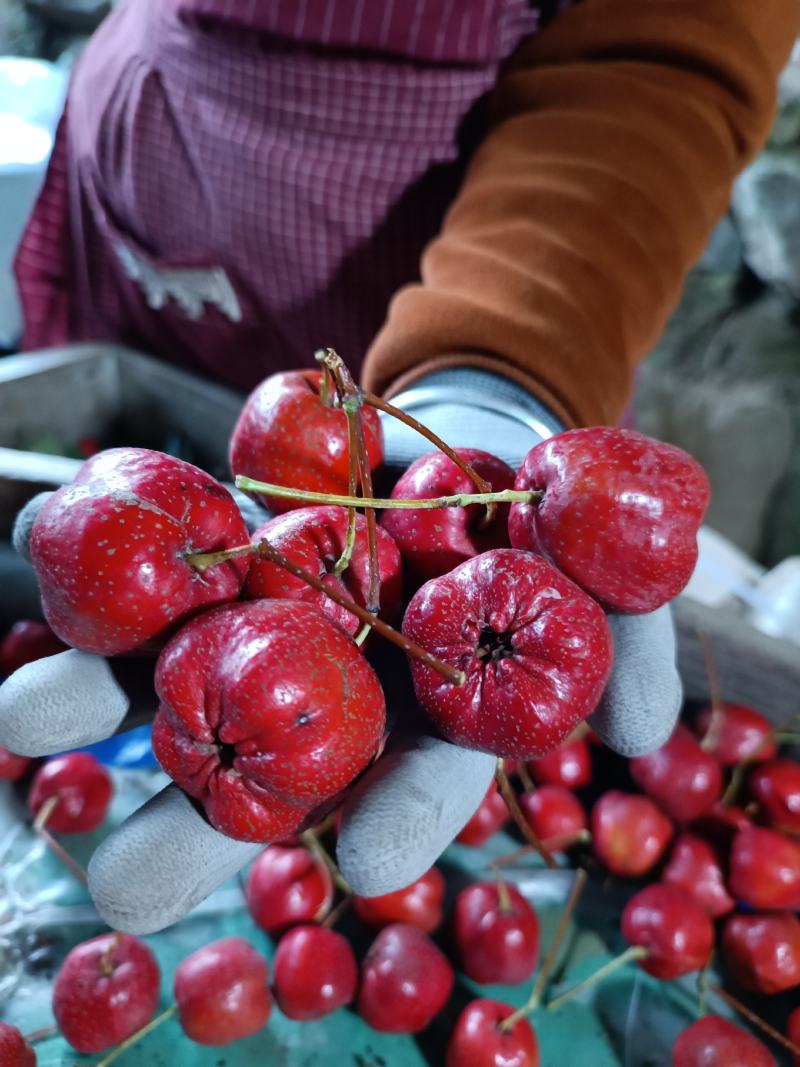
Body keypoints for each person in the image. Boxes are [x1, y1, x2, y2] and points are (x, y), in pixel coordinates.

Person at [2, 0, 797, 935]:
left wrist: (500, 374)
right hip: (150, 206)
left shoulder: (491, 522)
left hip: (444, 266)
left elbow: (661, 61)